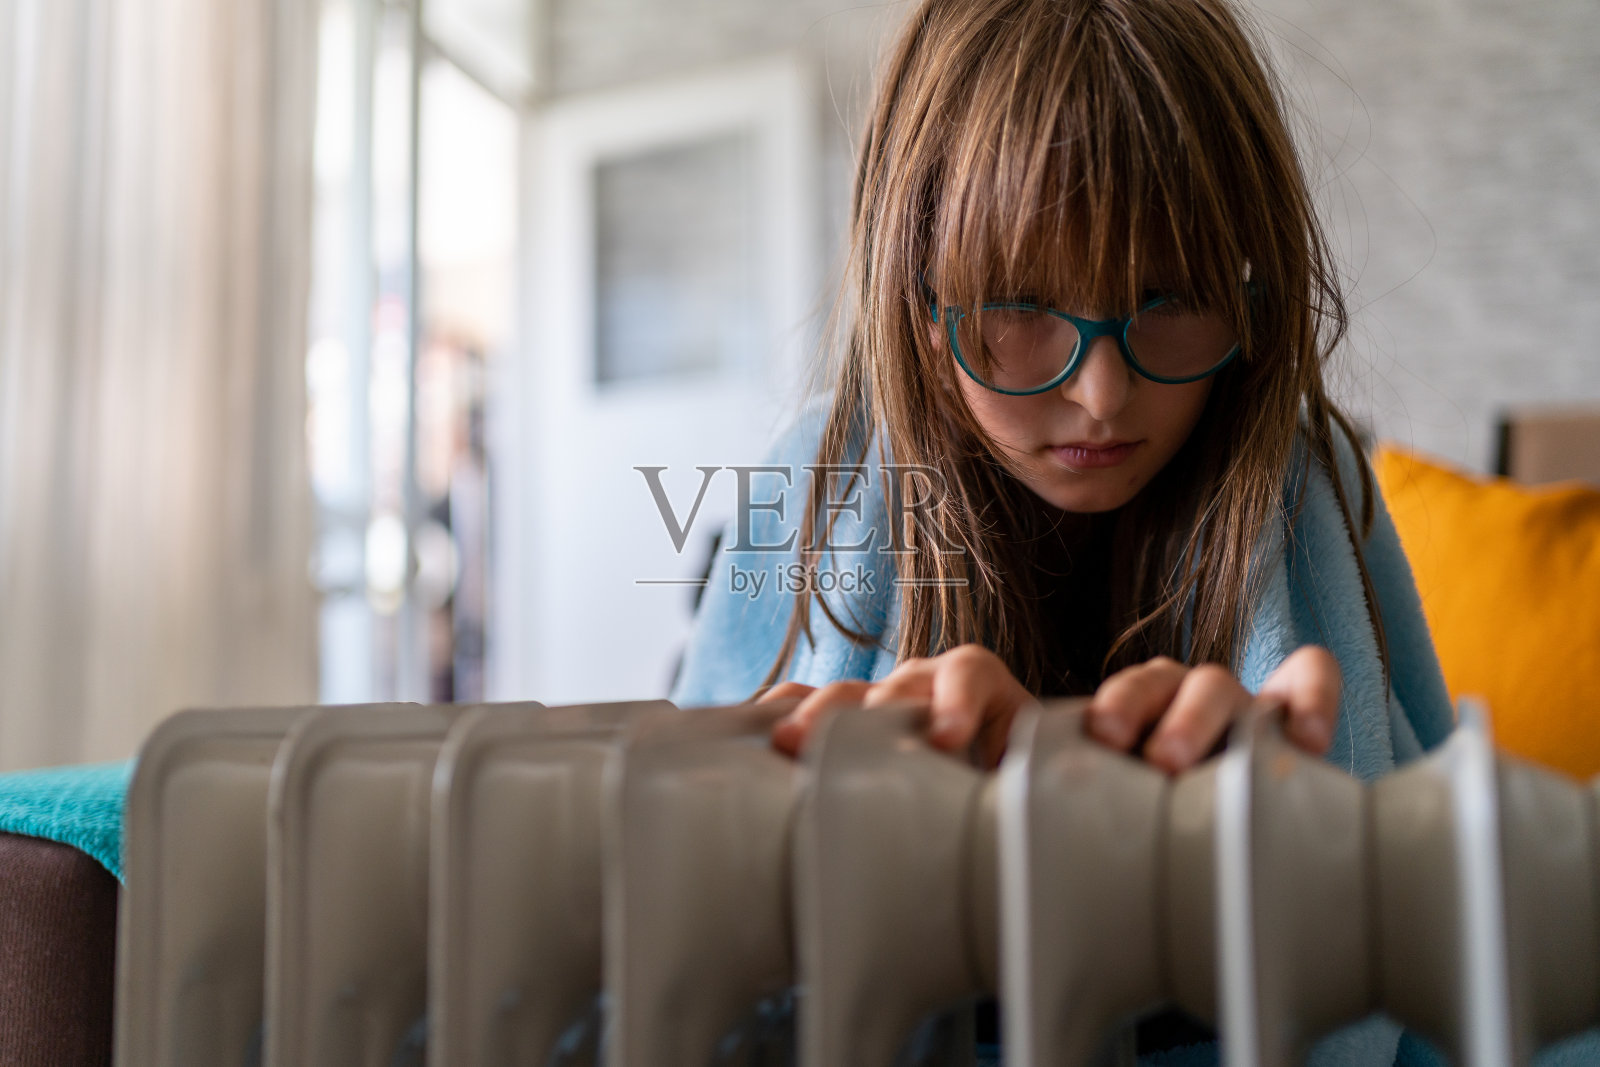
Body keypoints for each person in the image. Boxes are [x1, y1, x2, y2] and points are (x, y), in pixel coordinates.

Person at [671, 0, 1457, 1062]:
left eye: (1172, 294)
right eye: (1021, 302)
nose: (1101, 391)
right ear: (914, 296)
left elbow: (1438, 927)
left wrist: (1267, 857)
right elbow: (675, 939)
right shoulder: (810, 480)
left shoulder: (1306, 481)